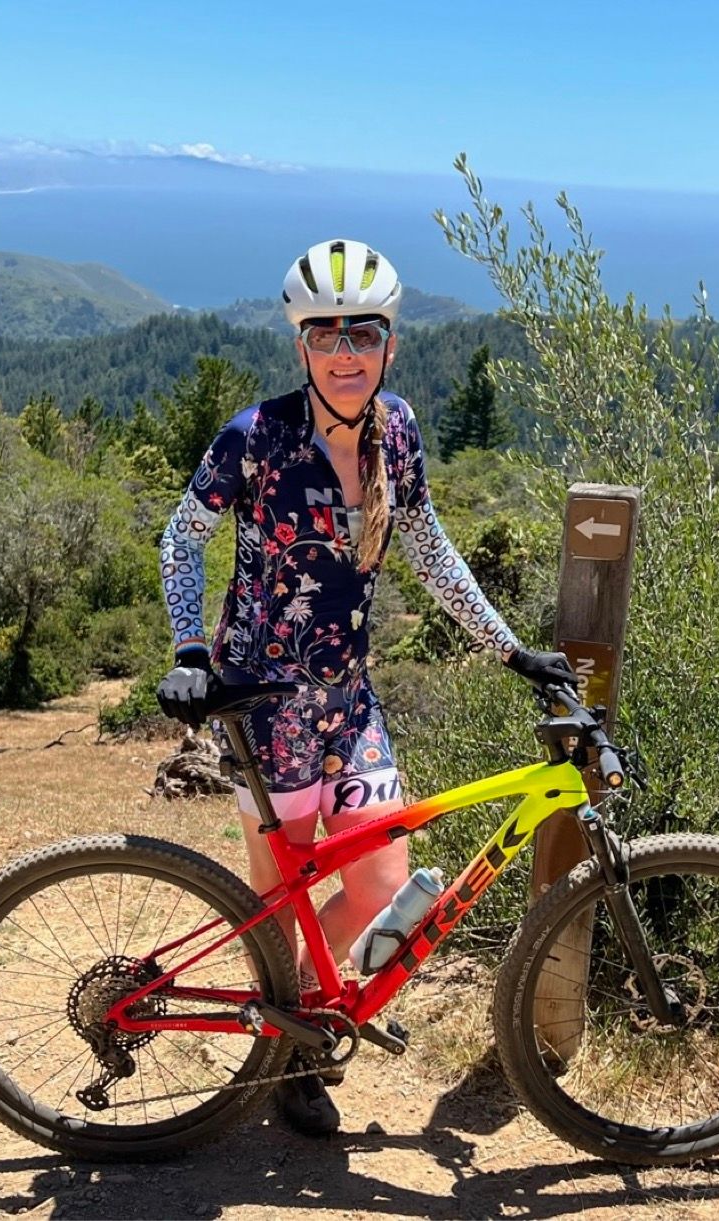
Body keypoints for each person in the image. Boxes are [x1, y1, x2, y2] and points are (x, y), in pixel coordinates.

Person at [155, 239, 575, 1136]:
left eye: (362, 332)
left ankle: (301, 1024)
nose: (344, 351)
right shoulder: (254, 437)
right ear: (300, 345)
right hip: (262, 707)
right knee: (280, 905)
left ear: (388, 341)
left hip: (349, 699)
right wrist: (191, 648)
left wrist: (511, 651)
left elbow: (426, 545)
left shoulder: (398, 429)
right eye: (324, 334)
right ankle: (286, 1053)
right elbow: (180, 537)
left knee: (382, 882)